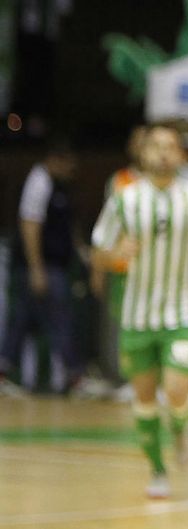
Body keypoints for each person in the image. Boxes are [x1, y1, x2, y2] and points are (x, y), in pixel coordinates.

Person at [90, 124, 188, 499]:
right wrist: (115, 254)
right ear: (143, 153)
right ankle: (157, 469)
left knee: (177, 390)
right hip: (138, 315)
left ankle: (182, 430)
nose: (164, 153)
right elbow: (99, 251)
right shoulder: (125, 198)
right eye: (156, 146)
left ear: (181, 155)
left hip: (182, 313)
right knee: (145, 400)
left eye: (171, 146)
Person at [1, 137, 81, 396]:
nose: (71, 171)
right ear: (56, 160)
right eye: (68, 165)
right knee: (59, 319)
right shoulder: (39, 182)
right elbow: (30, 225)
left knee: (23, 320)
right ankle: (74, 375)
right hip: (42, 267)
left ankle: (3, 370)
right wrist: (36, 268)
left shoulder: (58, 186)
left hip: (51, 266)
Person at [88, 126, 146, 401]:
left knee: (153, 325)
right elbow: (104, 229)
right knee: (122, 326)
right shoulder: (119, 181)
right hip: (122, 267)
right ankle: (125, 379)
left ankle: (151, 381)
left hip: (156, 271)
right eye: (138, 142)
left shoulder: (172, 185)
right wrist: (98, 268)